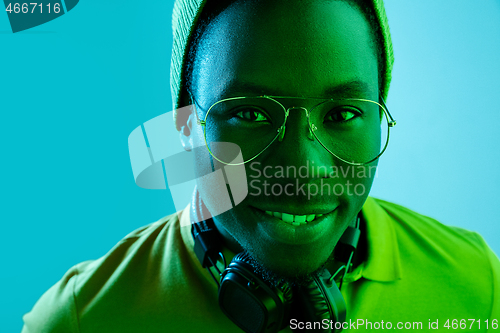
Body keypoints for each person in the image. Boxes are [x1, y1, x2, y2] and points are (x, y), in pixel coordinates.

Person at [22, 0, 500, 332]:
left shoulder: (477, 285)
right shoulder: (80, 319)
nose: (302, 167)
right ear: (186, 129)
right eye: (249, 113)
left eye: (343, 115)